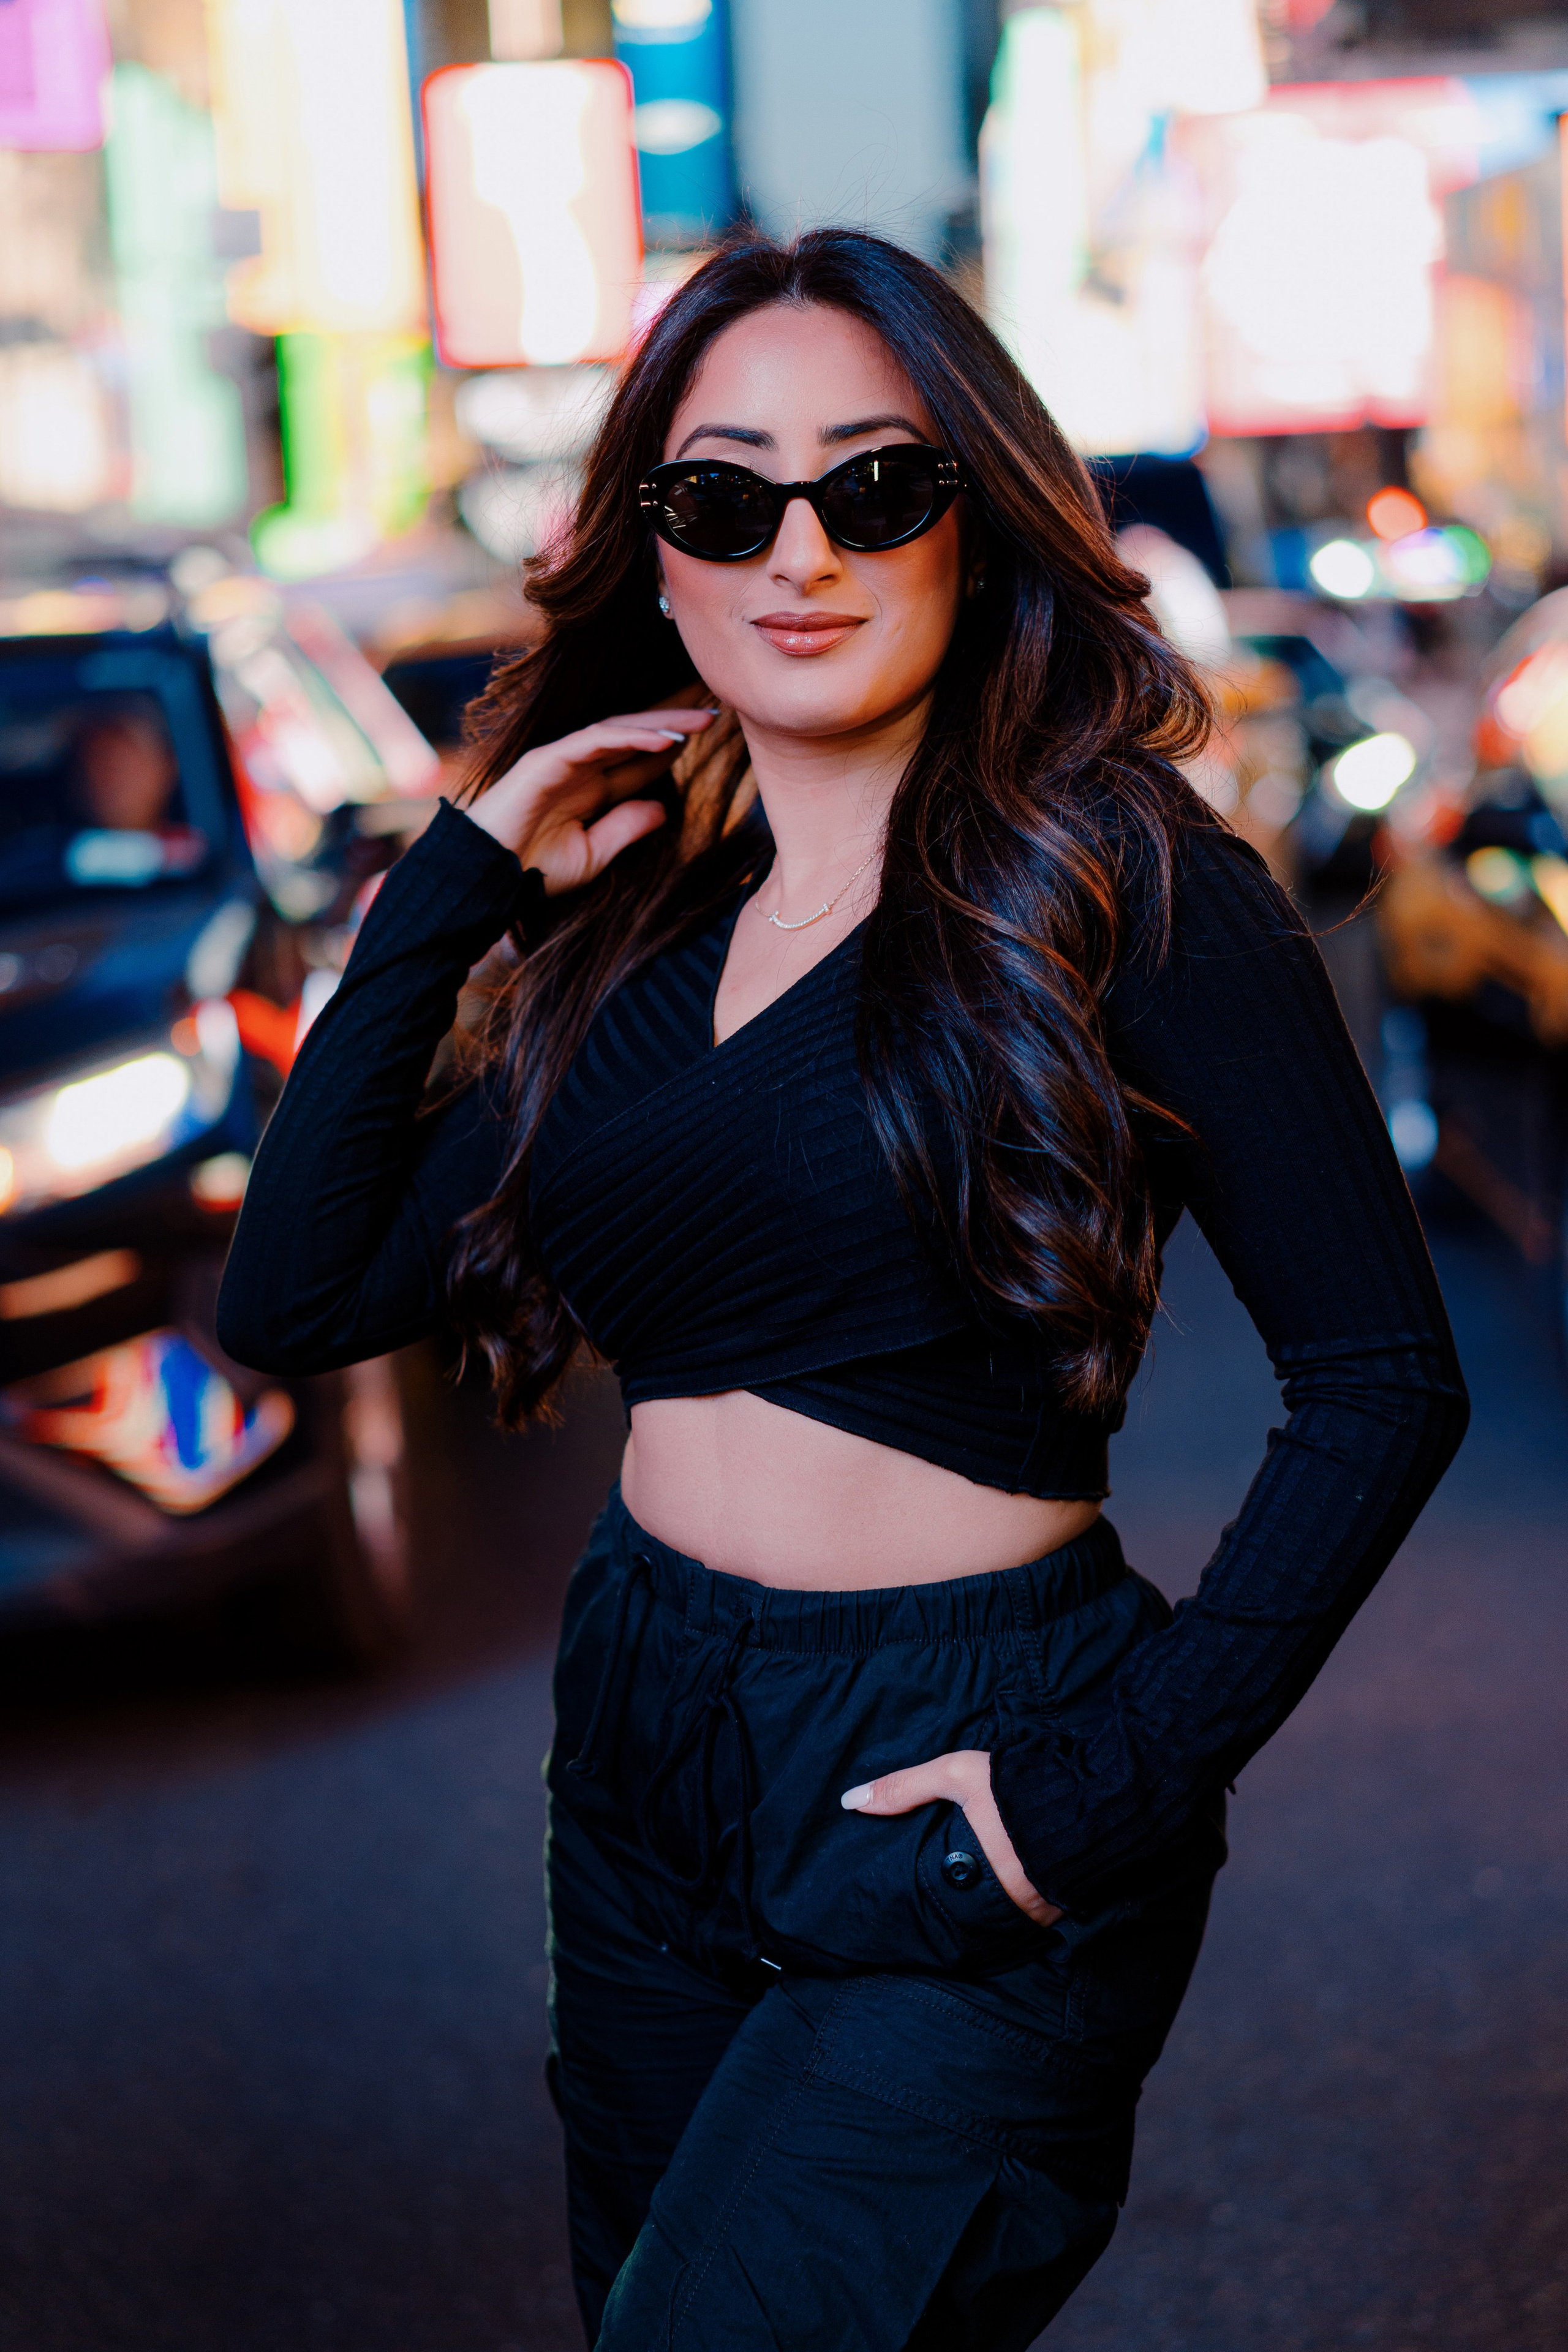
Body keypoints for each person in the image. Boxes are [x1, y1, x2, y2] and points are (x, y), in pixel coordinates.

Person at [217, 230, 1468, 2350]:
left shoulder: (1122, 876)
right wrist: (465, 873)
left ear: (973, 523)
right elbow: (300, 1289)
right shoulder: (630, 939)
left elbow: (1381, 1380)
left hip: (964, 1758)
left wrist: (1106, 1789)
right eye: (724, 498)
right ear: (658, 551)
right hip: (637, 1746)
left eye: (873, 489)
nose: (800, 552)